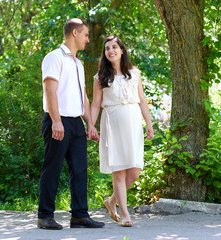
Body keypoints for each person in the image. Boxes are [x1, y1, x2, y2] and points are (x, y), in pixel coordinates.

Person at [37, 18, 105, 230]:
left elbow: (82, 96)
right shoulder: (53, 57)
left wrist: (90, 124)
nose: (87, 39)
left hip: (76, 123)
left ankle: (79, 215)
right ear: (74, 33)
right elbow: (50, 90)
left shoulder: (78, 63)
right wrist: (56, 121)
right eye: (85, 35)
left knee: (79, 170)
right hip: (58, 121)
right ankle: (45, 216)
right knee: (53, 168)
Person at [91, 36, 154, 227]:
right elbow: (95, 105)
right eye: (107, 48)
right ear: (105, 54)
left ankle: (111, 201)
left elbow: (142, 100)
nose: (111, 50)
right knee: (118, 172)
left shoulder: (134, 74)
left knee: (134, 172)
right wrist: (91, 126)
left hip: (134, 125)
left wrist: (149, 123)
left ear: (121, 50)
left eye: (114, 47)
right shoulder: (100, 78)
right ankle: (125, 215)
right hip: (112, 126)